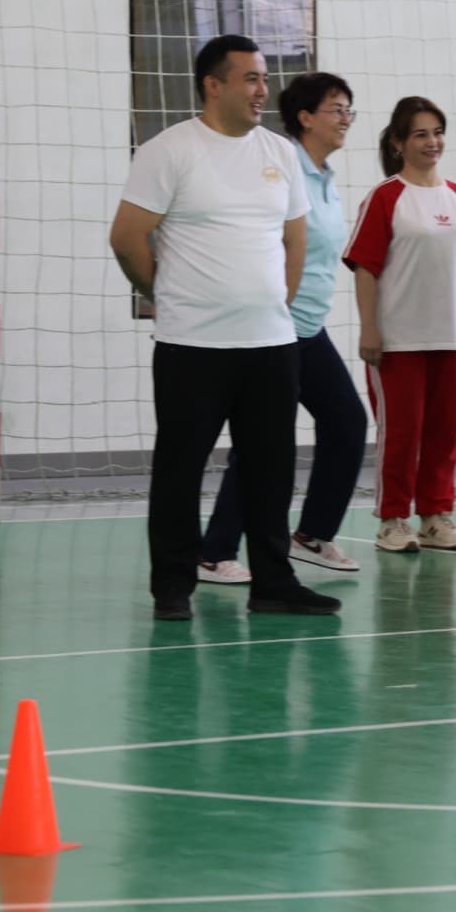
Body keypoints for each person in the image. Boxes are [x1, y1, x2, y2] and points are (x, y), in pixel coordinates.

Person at [109, 34, 341, 620]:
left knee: (269, 469)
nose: (264, 90)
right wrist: (159, 292)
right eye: (251, 79)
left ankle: (272, 583)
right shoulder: (170, 150)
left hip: (270, 343)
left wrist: (276, 304)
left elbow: (295, 238)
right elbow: (127, 236)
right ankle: (173, 586)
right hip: (193, 345)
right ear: (213, 85)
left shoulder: (279, 153)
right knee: (180, 468)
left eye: (265, 79)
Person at [194, 71, 369, 584]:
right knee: (262, 441)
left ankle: (313, 535)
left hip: (308, 327)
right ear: (305, 117)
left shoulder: (325, 177)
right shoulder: (280, 165)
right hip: (273, 326)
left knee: (346, 422)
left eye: (348, 110)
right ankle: (214, 551)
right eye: (336, 109)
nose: (345, 120)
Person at [345, 96, 456, 554]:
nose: (432, 142)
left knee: (443, 433)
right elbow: (365, 269)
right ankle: (393, 519)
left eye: (437, 132)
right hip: (398, 341)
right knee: (401, 436)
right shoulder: (386, 197)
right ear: (398, 143)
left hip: (450, 337)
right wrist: (369, 329)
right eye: (420, 134)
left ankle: (436, 516)